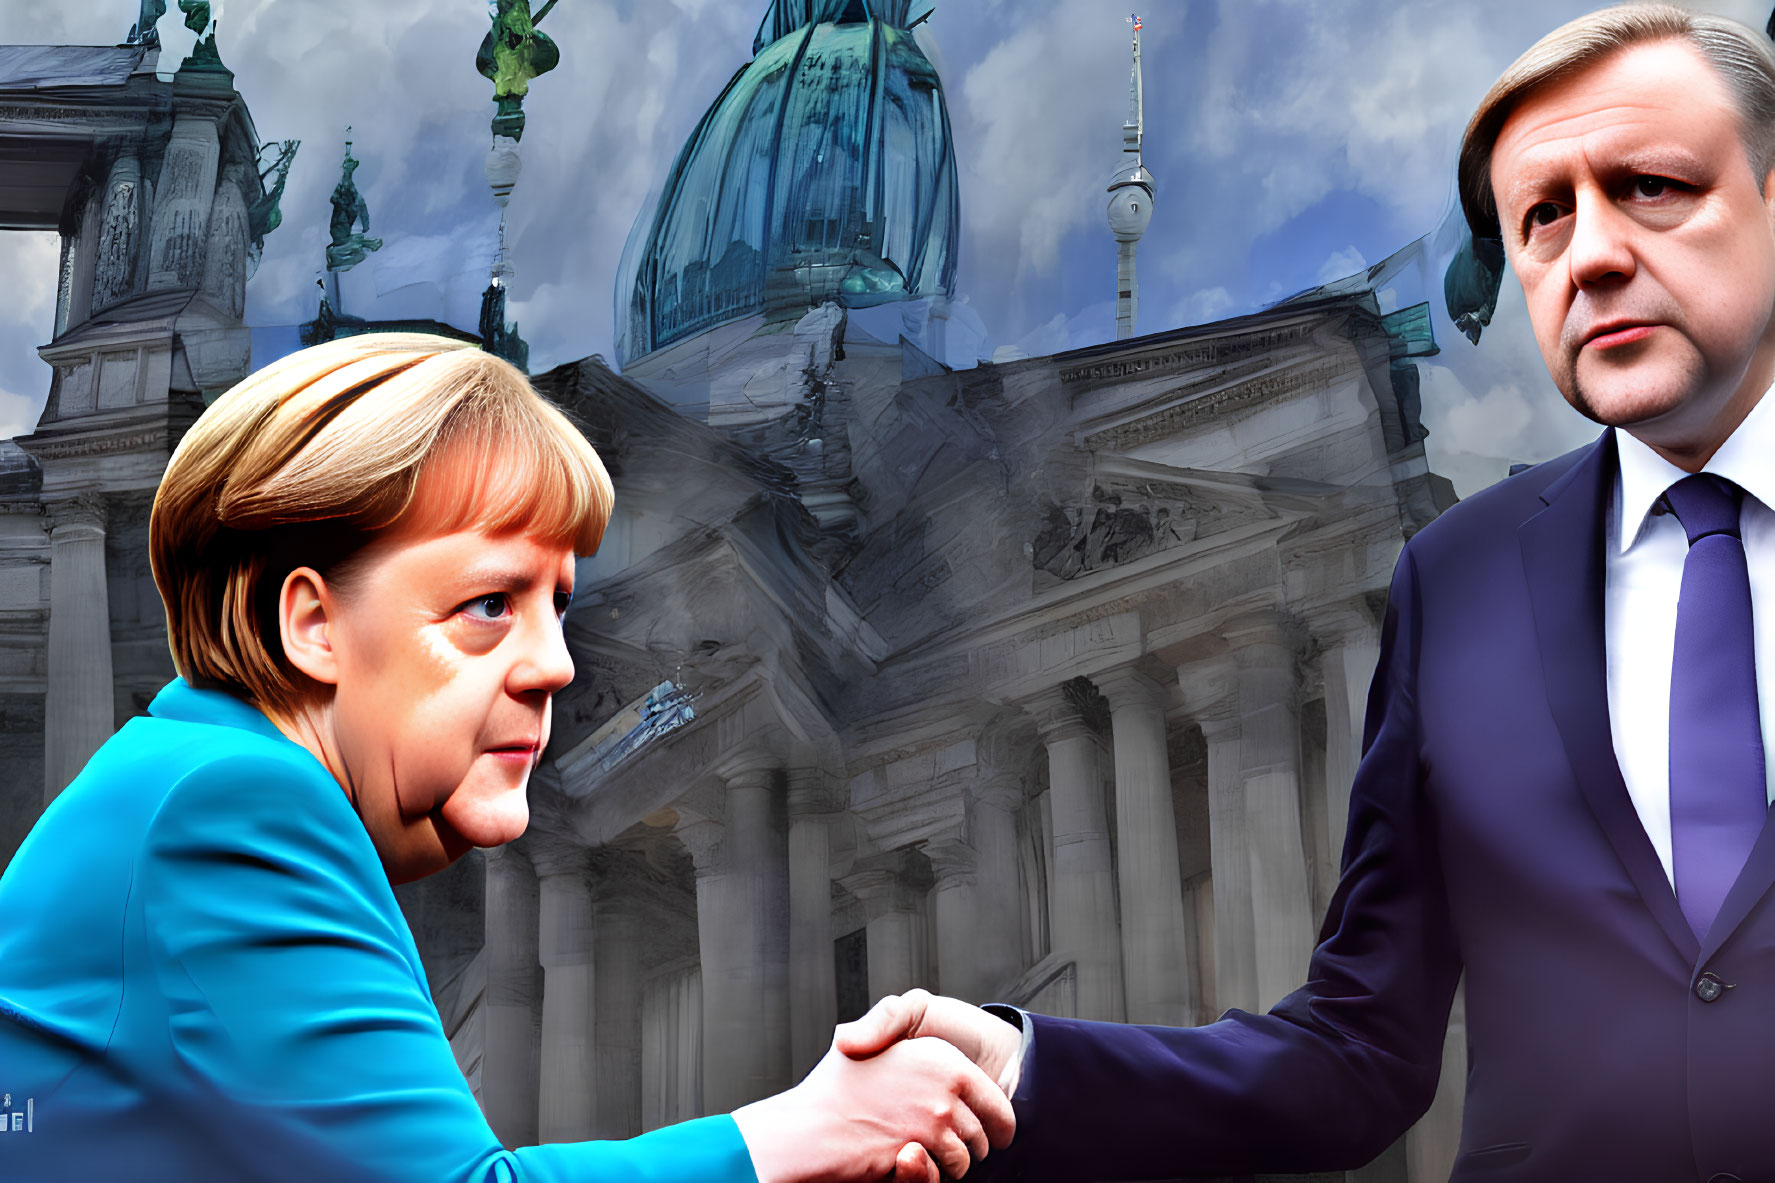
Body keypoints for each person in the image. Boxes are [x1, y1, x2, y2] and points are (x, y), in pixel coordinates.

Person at [841, 5, 1775, 1179]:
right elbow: (1357, 1048)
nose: (1587, 253)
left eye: (1648, 185)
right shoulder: (1460, 580)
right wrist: (1023, 1060)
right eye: (1540, 216)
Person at [0, 333, 1013, 1182]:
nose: (555, 666)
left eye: (556, 605)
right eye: (490, 605)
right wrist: (802, 1126)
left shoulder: (177, 786)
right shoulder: (232, 803)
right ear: (311, 623)